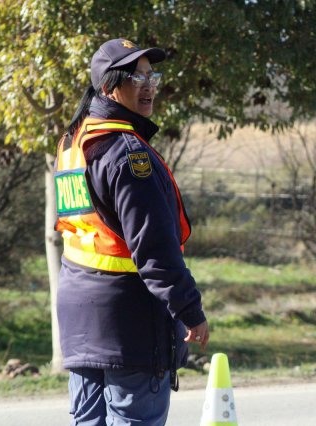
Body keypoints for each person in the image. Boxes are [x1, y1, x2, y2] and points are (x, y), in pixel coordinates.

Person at [54, 38, 209, 425]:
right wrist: (189, 309)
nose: (149, 85)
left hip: (79, 319)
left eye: (151, 74)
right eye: (136, 76)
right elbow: (154, 248)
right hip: (129, 325)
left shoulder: (73, 142)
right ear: (109, 85)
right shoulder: (126, 153)